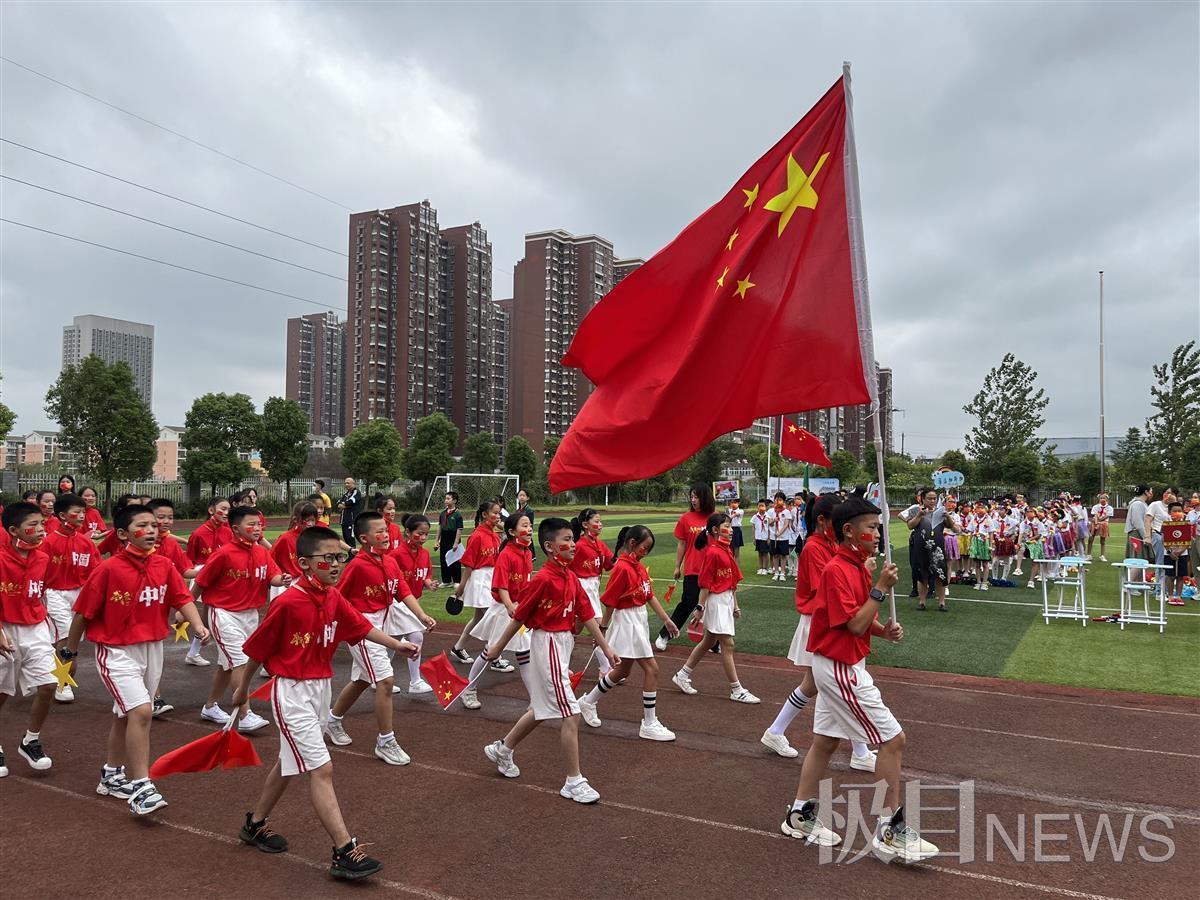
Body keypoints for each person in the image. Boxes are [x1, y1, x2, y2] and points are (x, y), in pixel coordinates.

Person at [231, 525, 418, 880]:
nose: (335, 565)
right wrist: (241, 693)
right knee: (321, 768)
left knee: (290, 763)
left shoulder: (332, 596)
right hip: (292, 693)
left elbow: (360, 626)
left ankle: (254, 825)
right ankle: (344, 850)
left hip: (320, 689)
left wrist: (396, 645)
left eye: (339, 558)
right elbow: (257, 650)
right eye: (327, 558)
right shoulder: (287, 601)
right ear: (304, 563)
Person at [781, 496, 938, 862]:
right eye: (871, 527)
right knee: (893, 739)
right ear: (849, 531)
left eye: (878, 526)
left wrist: (883, 631)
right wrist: (880, 588)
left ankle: (799, 814)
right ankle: (889, 828)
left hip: (839, 662)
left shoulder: (856, 566)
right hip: (839, 666)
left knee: (825, 742)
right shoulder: (837, 569)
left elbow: (858, 617)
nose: (877, 533)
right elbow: (852, 623)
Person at [64, 504, 210, 815]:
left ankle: (112, 774)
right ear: (122, 534)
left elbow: (182, 597)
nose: (153, 530)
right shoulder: (108, 569)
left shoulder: (164, 566)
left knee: (125, 715)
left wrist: (197, 625)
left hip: (151, 649)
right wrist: (70, 653)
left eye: (155, 525)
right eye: (143, 525)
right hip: (116, 651)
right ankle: (142, 786)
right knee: (142, 711)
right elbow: (82, 614)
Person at [478, 517, 620, 804]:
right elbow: (520, 617)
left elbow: (586, 613)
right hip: (548, 643)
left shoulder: (571, 577)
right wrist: (497, 647)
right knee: (571, 712)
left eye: (574, 539)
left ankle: (502, 750)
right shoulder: (542, 579)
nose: (573, 545)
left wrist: (605, 646)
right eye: (566, 539)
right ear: (550, 547)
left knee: (541, 707)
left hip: (563, 644)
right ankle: (574, 781)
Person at [761, 494, 877, 769]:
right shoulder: (815, 547)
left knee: (822, 685)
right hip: (822, 621)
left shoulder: (828, 544)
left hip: (826, 619)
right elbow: (827, 586)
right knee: (833, 684)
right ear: (823, 520)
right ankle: (859, 751)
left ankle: (777, 731)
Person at [323, 511, 433, 764]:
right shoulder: (358, 566)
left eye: (387, 529)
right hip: (362, 628)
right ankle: (386, 741)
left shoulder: (389, 561)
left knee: (362, 679)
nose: (386, 534)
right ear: (364, 538)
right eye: (379, 531)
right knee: (385, 681)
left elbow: (402, 592)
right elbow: (335, 597)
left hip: (379, 625)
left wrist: (422, 615)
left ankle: (333, 720)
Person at [578, 525, 679, 741]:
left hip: (638, 619)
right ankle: (649, 723)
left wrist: (667, 620)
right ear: (633, 543)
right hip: (627, 622)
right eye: (645, 548)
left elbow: (649, 595)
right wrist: (602, 631)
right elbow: (610, 602)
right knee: (652, 669)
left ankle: (587, 702)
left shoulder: (638, 566)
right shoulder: (623, 568)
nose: (647, 552)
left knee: (622, 671)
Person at [193, 506, 287, 732]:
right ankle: (245, 715)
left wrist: (281, 579)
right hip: (224, 614)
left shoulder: (262, 552)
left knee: (227, 666)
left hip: (250, 615)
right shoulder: (223, 554)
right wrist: (184, 610)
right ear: (235, 528)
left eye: (259, 524)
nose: (257, 528)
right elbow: (201, 583)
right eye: (251, 524)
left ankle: (210, 706)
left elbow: (272, 575)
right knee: (240, 663)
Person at [671, 513, 759, 703]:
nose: (732, 529)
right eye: (727, 525)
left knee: (708, 641)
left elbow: (731, 581)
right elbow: (705, 584)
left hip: (725, 600)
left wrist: (735, 605)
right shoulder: (713, 552)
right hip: (716, 601)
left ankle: (682, 675)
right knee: (728, 644)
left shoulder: (725, 550)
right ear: (715, 530)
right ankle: (736, 689)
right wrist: (700, 607)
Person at [0, 501, 58, 776]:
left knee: (48, 685)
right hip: (4, 628)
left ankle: (30, 740)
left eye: (42, 525)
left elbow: (42, 592)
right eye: (32, 526)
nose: (39, 530)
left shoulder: (43, 559)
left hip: (35, 628)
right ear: (14, 530)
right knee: (2, 693)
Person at [461, 512, 535, 709]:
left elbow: (525, 582)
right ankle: (468, 689)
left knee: (524, 655)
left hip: (517, 611)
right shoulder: (507, 554)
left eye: (530, 526)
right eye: (525, 526)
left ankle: (535, 701)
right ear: (512, 532)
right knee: (490, 652)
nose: (529, 529)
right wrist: (510, 605)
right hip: (504, 610)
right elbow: (500, 586)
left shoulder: (526, 553)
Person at [40, 493, 99, 702]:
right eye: (77, 512)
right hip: (54, 593)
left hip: (79, 593)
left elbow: (96, 571)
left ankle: (53, 672)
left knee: (73, 638)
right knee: (65, 636)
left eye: (83, 512)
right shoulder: (47, 543)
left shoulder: (86, 543)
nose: (82, 516)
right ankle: (62, 683)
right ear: (63, 515)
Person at [655, 484, 715, 650]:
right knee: (688, 603)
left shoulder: (715, 518)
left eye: (696, 496)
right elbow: (682, 543)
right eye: (692, 496)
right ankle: (665, 634)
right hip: (693, 568)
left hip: (712, 570)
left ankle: (714, 643)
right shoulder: (686, 518)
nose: (693, 500)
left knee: (712, 606)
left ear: (705, 497)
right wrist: (677, 566)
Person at [449, 500, 505, 670]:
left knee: (479, 618)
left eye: (499, 513)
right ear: (484, 514)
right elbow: (469, 564)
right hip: (479, 580)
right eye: (494, 513)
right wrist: (462, 587)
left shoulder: (494, 535)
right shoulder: (477, 535)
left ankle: (458, 648)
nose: (497, 516)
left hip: (490, 578)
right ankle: (495, 658)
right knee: (492, 619)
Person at [389, 514, 440, 694]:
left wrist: (428, 582)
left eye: (427, 534)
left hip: (412, 603)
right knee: (416, 637)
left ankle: (380, 677)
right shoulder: (396, 555)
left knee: (393, 641)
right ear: (408, 532)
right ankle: (415, 681)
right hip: (397, 604)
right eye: (420, 533)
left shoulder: (424, 554)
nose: (424, 538)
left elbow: (425, 574)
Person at [184, 497, 233, 667]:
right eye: (223, 509)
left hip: (222, 576)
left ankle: (194, 652)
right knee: (210, 616)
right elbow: (188, 560)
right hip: (203, 575)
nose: (227, 513)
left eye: (229, 509)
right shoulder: (198, 534)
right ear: (211, 510)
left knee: (210, 617)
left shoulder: (228, 532)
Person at [569, 508, 615, 679]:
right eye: (596, 521)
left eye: (600, 521)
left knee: (573, 630)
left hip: (593, 588)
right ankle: (605, 668)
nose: (600, 525)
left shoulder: (599, 544)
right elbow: (566, 565)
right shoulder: (579, 546)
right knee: (598, 627)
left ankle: (561, 662)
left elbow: (610, 565)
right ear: (585, 524)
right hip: (581, 588)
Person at [900, 488, 948, 610]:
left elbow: (951, 526)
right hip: (921, 547)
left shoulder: (940, 511)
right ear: (923, 499)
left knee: (940, 575)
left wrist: (947, 516)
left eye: (934, 498)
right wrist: (919, 515)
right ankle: (922, 602)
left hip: (937, 548)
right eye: (929, 498)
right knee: (922, 575)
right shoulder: (917, 510)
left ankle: (941, 602)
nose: (932, 501)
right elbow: (910, 525)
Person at [1146, 488, 1175, 594]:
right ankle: (1159, 589)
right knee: (1161, 562)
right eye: (1166, 492)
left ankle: (1167, 588)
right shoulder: (1156, 505)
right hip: (1158, 535)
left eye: (1171, 493)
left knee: (1170, 563)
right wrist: (1148, 536)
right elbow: (1148, 519)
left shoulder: (1175, 507)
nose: (1168, 495)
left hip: (1172, 538)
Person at [1162, 501, 1190, 606]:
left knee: (1180, 576)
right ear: (1170, 512)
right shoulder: (1166, 523)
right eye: (1175, 511)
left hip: (1182, 554)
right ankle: (1170, 596)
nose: (1177, 513)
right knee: (1170, 575)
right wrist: (1170, 552)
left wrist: (1180, 551)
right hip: (1169, 553)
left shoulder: (1186, 523)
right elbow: (1163, 539)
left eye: (1179, 511)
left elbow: (1188, 539)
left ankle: (1178, 596)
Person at [438, 491, 465, 585]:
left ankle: (457, 580)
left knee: (455, 559)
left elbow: (459, 529)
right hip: (444, 537)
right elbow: (440, 527)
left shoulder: (458, 514)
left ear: (454, 501)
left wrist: (456, 542)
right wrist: (437, 540)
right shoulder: (442, 513)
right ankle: (446, 580)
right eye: (445, 498)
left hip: (453, 537)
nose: (446, 500)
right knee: (443, 559)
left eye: (448, 499)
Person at [766, 492, 793, 582]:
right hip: (774, 537)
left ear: (783, 501)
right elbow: (769, 523)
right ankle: (776, 572)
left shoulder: (786, 512)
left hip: (783, 537)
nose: (778, 502)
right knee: (775, 555)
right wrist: (774, 520)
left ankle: (782, 573)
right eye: (777, 500)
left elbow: (786, 524)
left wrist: (780, 533)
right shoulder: (770, 511)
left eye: (780, 500)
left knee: (783, 555)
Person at [1125, 485, 1152, 561]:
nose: (1151, 493)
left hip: (1139, 534)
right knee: (1137, 559)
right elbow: (1138, 523)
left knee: (1141, 559)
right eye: (1150, 491)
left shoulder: (1143, 504)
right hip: (1137, 534)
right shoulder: (1137, 504)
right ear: (1146, 492)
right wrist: (1145, 536)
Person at [336, 478, 361, 552]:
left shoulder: (356, 492)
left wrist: (344, 504)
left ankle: (353, 556)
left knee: (350, 538)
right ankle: (350, 554)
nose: (346, 485)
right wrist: (343, 505)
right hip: (344, 520)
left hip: (351, 520)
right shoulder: (346, 494)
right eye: (345, 483)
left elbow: (352, 501)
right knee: (346, 538)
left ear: (353, 484)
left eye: (348, 483)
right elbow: (338, 503)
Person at [1088, 492, 1114, 562]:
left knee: (1102, 540)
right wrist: (1096, 522)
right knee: (1091, 538)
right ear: (1099, 499)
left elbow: (1107, 516)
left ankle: (1102, 555)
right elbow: (1095, 515)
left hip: (1103, 524)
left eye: (1104, 498)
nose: (1102, 499)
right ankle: (1089, 555)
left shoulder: (1110, 508)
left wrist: (1098, 520)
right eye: (1101, 498)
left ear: (1107, 499)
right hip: (1094, 523)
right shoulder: (1095, 507)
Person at [513, 489, 536, 559]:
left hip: (525, 536)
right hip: (518, 536)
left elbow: (530, 525)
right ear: (517, 497)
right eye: (520, 495)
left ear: (527, 498)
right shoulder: (517, 511)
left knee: (526, 558)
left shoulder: (529, 511)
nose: (521, 497)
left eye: (524, 495)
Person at [751, 499, 771, 575]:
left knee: (765, 553)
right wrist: (754, 538)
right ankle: (760, 568)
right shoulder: (755, 517)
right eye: (759, 506)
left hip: (765, 537)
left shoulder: (768, 516)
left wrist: (769, 538)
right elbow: (753, 527)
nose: (761, 507)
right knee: (759, 553)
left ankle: (765, 568)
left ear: (765, 507)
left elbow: (769, 528)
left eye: (762, 506)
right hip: (758, 537)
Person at [728, 497, 745, 564]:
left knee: (736, 552)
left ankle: (737, 569)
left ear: (738, 503)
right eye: (732, 502)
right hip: (729, 530)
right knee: (730, 551)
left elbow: (735, 515)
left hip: (736, 530)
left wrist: (729, 516)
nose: (733, 504)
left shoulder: (740, 511)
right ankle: (731, 568)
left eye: (735, 503)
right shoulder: (728, 510)